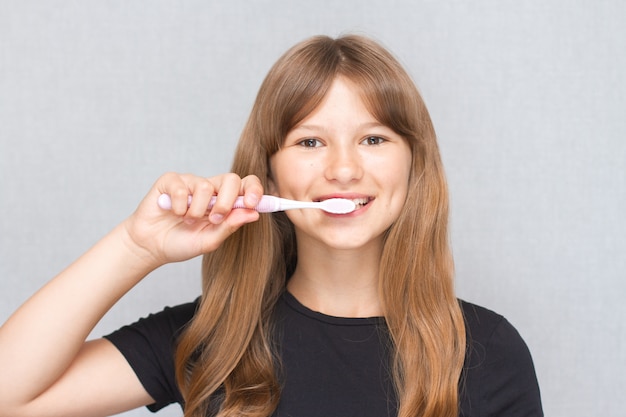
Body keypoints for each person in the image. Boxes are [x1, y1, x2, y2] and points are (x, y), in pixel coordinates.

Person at [0, 34, 543, 417]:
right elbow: (10, 395)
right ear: (269, 170)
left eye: (374, 139)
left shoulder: (487, 351)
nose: (344, 168)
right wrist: (137, 245)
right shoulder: (215, 339)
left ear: (413, 163)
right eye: (310, 141)